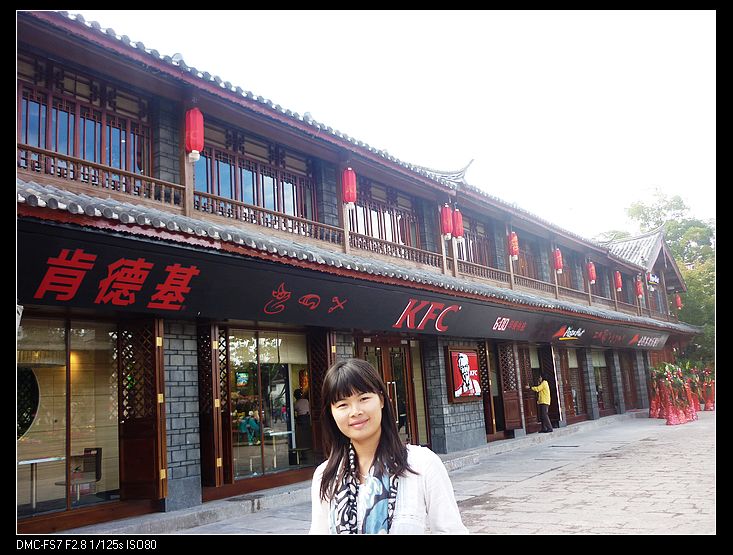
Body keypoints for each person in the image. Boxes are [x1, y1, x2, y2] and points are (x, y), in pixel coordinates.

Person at [310, 358, 468, 535]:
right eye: (342, 404)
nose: (355, 411)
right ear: (331, 413)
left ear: (382, 400)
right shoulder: (326, 476)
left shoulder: (422, 464)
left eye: (364, 398)